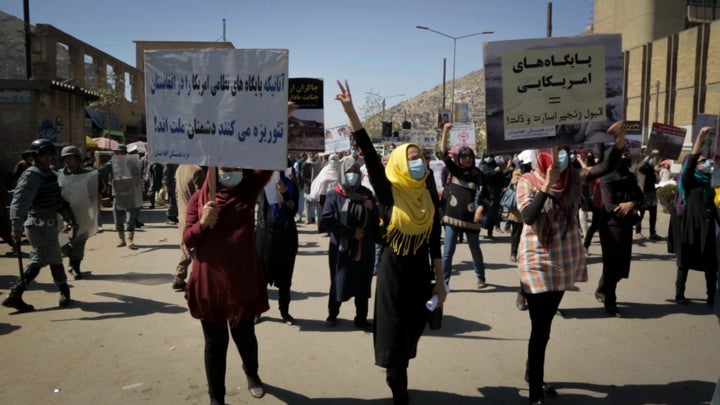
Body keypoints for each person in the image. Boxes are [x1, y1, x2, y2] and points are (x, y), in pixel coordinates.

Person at [336, 80, 446, 404]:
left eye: (420, 158)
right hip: (392, 275)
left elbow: (435, 243)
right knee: (393, 346)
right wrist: (351, 112)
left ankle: (400, 376)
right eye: (411, 158)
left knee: (411, 335)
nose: (417, 162)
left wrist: (440, 283)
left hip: (419, 277)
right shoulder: (388, 193)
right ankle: (399, 391)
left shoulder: (428, 195)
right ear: (399, 162)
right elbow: (369, 154)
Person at [517, 122, 624, 405]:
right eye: (555, 152)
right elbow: (528, 216)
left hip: (563, 260)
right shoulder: (527, 180)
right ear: (541, 155)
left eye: (564, 151)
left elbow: (605, 168)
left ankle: (532, 372)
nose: (560, 157)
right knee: (539, 328)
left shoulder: (574, 177)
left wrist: (618, 141)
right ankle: (535, 394)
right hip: (536, 261)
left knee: (546, 325)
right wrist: (548, 184)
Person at [184, 166, 273, 403]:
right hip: (209, 284)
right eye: (224, 167)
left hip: (240, 281)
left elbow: (269, 160)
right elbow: (187, 239)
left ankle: (252, 374)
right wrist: (202, 223)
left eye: (235, 165)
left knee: (245, 336)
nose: (229, 171)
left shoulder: (248, 190)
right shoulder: (199, 199)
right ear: (213, 170)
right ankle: (217, 396)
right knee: (215, 343)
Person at [3, 139, 77, 312]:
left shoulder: (49, 173)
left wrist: (67, 217)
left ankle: (60, 292)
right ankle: (16, 294)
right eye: (45, 155)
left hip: (50, 225)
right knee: (46, 258)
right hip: (38, 226)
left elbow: (57, 200)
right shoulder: (32, 175)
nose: (49, 158)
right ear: (36, 156)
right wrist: (16, 226)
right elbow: (19, 202)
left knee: (51, 258)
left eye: (51, 155)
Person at [321, 159, 379, 331]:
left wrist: (372, 207)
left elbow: (377, 220)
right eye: (349, 171)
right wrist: (350, 233)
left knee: (363, 283)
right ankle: (333, 314)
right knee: (338, 281)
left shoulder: (367, 194)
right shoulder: (335, 194)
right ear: (342, 173)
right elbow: (327, 221)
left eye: (355, 171)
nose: (352, 174)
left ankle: (361, 318)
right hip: (341, 248)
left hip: (364, 247)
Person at [668, 126, 718, 306]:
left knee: (711, 265)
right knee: (685, 262)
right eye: (702, 161)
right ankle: (679, 293)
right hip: (692, 227)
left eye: (707, 160)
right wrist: (701, 136)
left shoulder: (709, 184)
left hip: (709, 227)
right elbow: (692, 160)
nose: (706, 163)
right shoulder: (689, 181)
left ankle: (712, 296)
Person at [438, 123, 489, 288]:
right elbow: (444, 154)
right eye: (464, 156)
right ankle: (444, 282)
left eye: (470, 156)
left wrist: (480, 208)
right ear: (459, 158)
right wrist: (445, 131)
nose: (467, 159)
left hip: (471, 220)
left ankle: (480, 277)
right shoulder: (455, 170)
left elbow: (486, 196)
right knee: (447, 253)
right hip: (452, 218)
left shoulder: (478, 174)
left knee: (475, 251)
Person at [594, 149, 644, 317]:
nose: (626, 157)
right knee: (612, 263)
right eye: (622, 155)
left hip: (626, 225)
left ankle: (602, 288)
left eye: (627, 154)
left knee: (621, 265)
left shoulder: (629, 176)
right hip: (610, 226)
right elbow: (609, 205)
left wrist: (631, 204)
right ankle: (610, 301)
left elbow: (640, 197)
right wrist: (626, 207)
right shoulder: (607, 176)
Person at [256, 170, 299, 324]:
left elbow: (294, 208)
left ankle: (284, 312)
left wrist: (284, 193)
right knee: (261, 276)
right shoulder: (262, 182)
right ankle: (258, 310)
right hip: (265, 235)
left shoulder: (291, 184)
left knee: (285, 277)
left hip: (286, 236)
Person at [58, 145, 96, 280]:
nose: (68, 160)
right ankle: (71, 258)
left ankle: (75, 267)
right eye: (66, 158)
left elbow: (92, 195)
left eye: (71, 157)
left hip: (82, 212)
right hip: (63, 214)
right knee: (60, 241)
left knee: (79, 243)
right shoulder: (59, 175)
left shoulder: (87, 174)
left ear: (77, 159)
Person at [172, 164, 205, 291]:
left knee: (186, 247)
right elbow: (201, 196)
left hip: (182, 213)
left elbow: (176, 192)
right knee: (195, 250)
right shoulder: (197, 170)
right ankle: (197, 279)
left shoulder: (180, 168)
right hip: (193, 215)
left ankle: (179, 277)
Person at [109, 144, 143, 249]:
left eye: (118, 152)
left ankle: (129, 240)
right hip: (117, 194)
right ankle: (121, 239)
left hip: (130, 194)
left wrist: (125, 179)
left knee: (130, 218)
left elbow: (137, 179)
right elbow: (102, 170)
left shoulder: (132, 163)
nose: (117, 154)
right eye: (116, 152)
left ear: (124, 153)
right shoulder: (112, 163)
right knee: (117, 217)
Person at [632, 149, 661, 239]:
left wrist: (656, 171)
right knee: (641, 214)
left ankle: (652, 233)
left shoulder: (652, 167)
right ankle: (638, 232)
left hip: (651, 194)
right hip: (642, 194)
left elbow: (657, 180)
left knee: (653, 215)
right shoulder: (639, 166)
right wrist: (651, 154)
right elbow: (641, 165)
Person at [309, 153, 340, 233]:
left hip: (335, 195)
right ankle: (323, 228)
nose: (333, 161)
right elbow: (318, 181)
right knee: (323, 212)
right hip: (324, 195)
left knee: (333, 212)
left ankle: (331, 229)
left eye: (335, 159)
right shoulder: (325, 169)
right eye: (331, 159)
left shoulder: (339, 169)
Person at [301, 153, 322, 224]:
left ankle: (316, 218)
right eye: (310, 153)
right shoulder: (305, 164)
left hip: (317, 186)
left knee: (317, 203)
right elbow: (303, 176)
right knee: (307, 203)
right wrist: (310, 182)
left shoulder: (319, 163)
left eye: (313, 153)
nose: (312, 155)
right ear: (308, 155)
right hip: (308, 186)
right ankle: (307, 218)